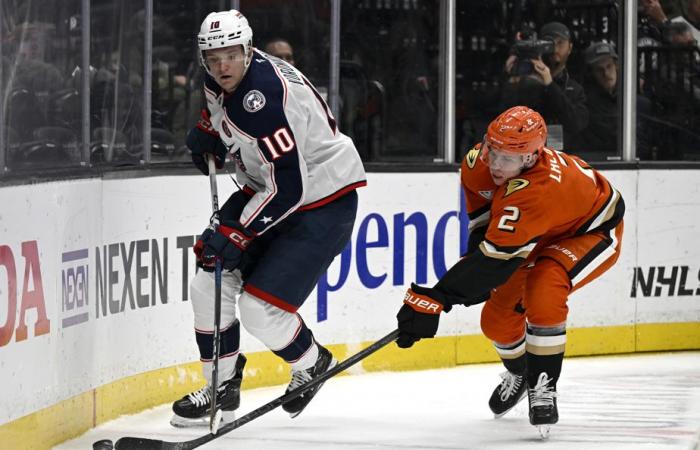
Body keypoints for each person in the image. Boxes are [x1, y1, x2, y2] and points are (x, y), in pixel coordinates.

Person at [171, 9, 366, 427]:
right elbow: (222, 113)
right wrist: (211, 131)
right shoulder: (219, 77)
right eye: (213, 57)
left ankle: (311, 363)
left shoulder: (263, 101)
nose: (223, 66)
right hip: (270, 186)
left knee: (260, 309)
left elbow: (291, 188)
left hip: (322, 200)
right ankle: (221, 385)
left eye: (231, 55)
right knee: (210, 277)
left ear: (247, 49)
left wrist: (239, 232)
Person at [394, 106, 624, 436]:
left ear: (531, 159)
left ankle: (543, 387)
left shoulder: (539, 188)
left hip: (590, 232)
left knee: (544, 288)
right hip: (535, 233)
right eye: (492, 151)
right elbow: (484, 231)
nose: (496, 164)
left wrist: (435, 299)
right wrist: (465, 284)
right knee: (496, 322)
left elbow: (496, 260)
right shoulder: (477, 164)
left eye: (507, 158)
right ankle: (522, 371)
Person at [500, 22, 589, 151]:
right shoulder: (526, 82)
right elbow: (505, 120)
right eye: (549, 43)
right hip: (528, 156)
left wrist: (550, 84)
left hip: (563, 160)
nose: (555, 48)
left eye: (560, 43)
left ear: (570, 48)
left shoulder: (575, 89)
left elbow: (575, 124)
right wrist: (510, 78)